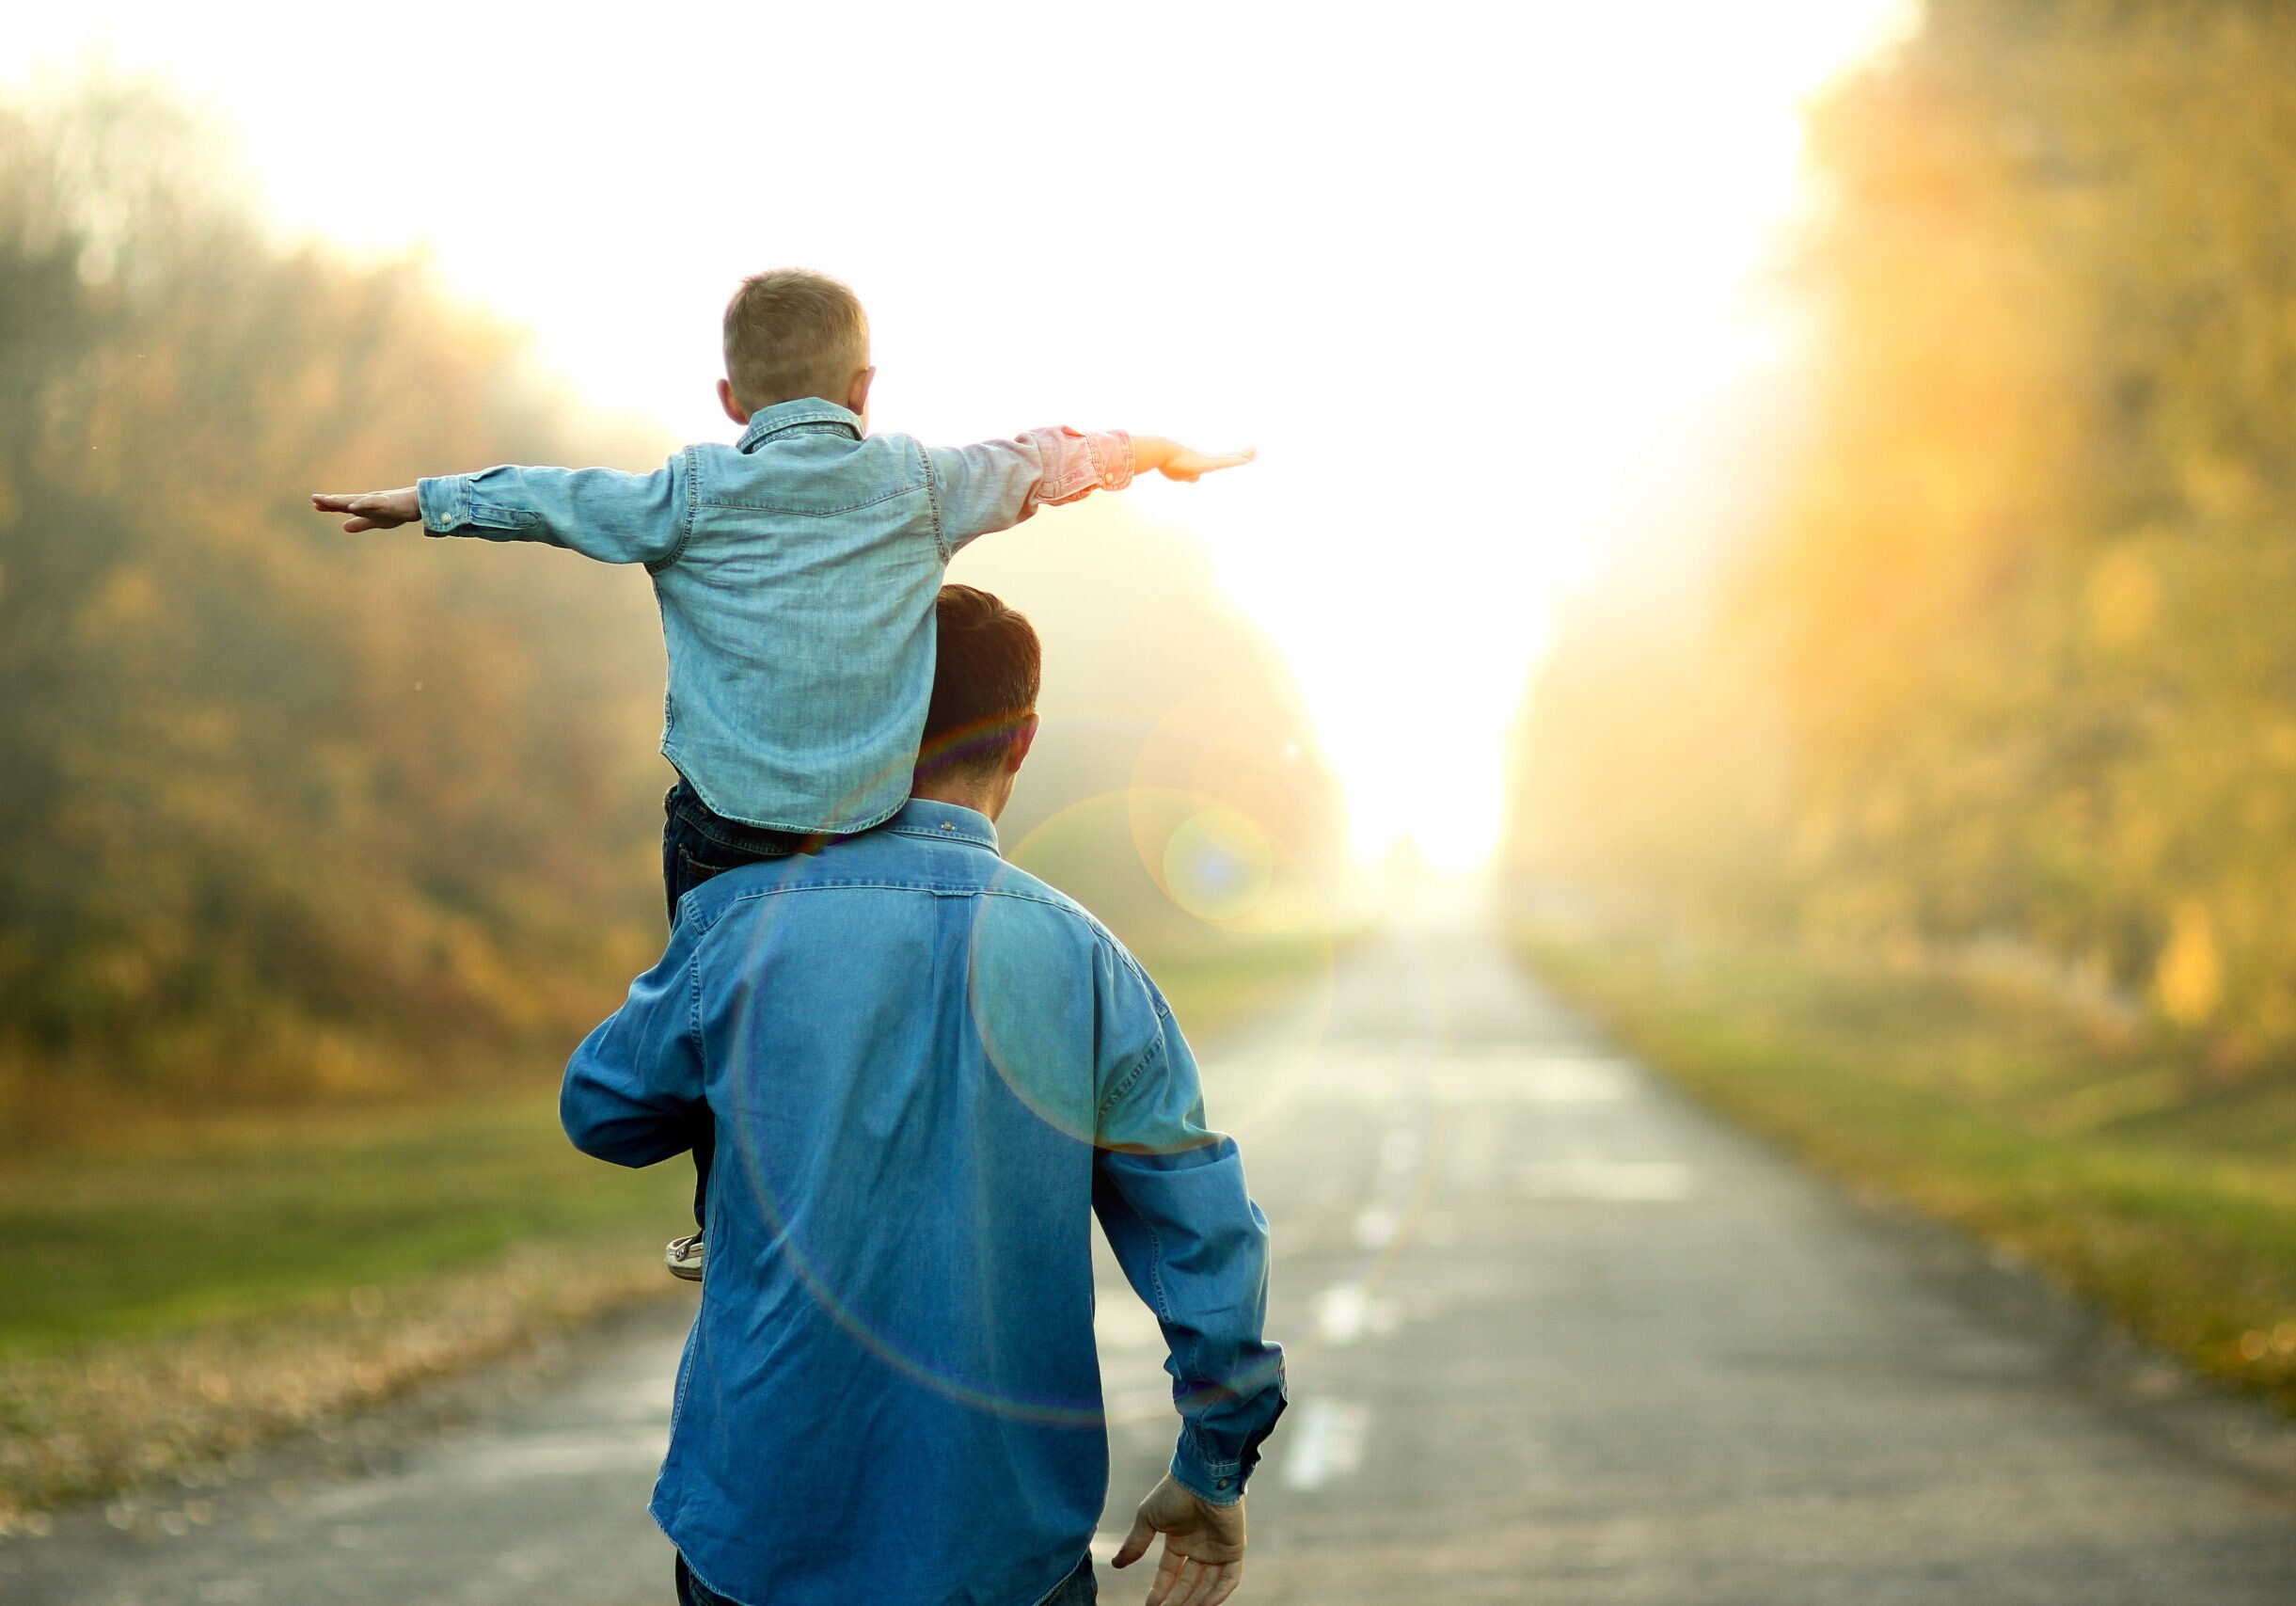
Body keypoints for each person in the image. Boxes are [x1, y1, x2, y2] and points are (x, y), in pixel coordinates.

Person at [312, 270, 1253, 1278]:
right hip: (870, 824)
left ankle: (728, 1218)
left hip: (724, 833)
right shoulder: (919, 484)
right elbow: (1035, 460)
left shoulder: (688, 493)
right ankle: (887, 1162)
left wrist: (428, 501)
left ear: (730, 401)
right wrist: (1147, 454)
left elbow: (559, 500)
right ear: (863, 387)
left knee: (719, 1021)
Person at [561, 585, 1285, 1606]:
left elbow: (600, 1113)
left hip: (757, 1539)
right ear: (1022, 742)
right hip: (1003, 1556)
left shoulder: (736, 927)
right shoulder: (1088, 964)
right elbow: (1205, 1241)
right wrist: (1215, 1463)